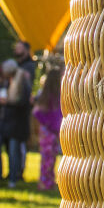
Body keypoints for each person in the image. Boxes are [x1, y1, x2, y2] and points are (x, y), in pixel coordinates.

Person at [0, 59, 31, 187]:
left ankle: (13, 178)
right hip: (3, 122)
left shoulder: (22, 83)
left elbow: (23, 103)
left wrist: (8, 102)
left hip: (16, 124)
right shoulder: (6, 83)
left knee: (13, 151)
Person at [31, 61, 63, 193]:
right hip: (48, 130)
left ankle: (49, 181)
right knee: (47, 157)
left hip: (54, 130)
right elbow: (37, 111)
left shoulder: (59, 95)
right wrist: (47, 123)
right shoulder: (47, 95)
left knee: (52, 156)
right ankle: (44, 182)